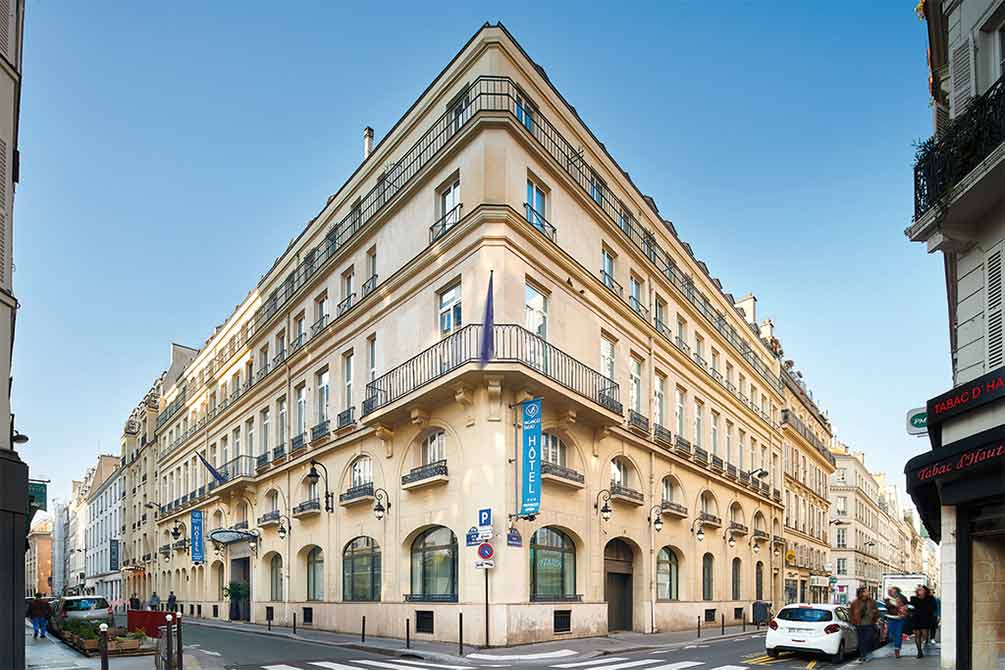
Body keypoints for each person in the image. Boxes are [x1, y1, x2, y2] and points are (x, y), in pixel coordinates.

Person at [849, 586, 879, 662]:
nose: (868, 592)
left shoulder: (872, 601)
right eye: (866, 591)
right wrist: (853, 622)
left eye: (867, 591)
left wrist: (874, 617)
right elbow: (851, 613)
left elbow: (877, 612)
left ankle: (866, 654)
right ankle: (862, 655)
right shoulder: (855, 602)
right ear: (861, 593)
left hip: (869, 624)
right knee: (861, 641)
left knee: (868, 640)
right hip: (859, 624)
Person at [910, 585, 936, 658]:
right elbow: (911, 607)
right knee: (917, 635)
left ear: (925, 591)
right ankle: (919, 652)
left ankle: (925, 643)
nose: (919, 590)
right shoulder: (913, 598)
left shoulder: (930, 598)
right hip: (916, 618)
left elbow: (933, 607)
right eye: (918, 589)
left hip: (925, 618)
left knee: (925, 635)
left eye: (921, 589)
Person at [884, 587, 909, 658]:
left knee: (898, 634)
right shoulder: (887, 600)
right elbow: (888, 607)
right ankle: (896, 646)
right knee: (891, 635)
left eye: (894, 592)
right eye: (891, 592)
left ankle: (897, 650)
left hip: (899, 619)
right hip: (891, 618)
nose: (892, 593)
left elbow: (906, 606)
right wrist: (898, 606)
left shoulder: (902, 598)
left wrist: (903, 608)